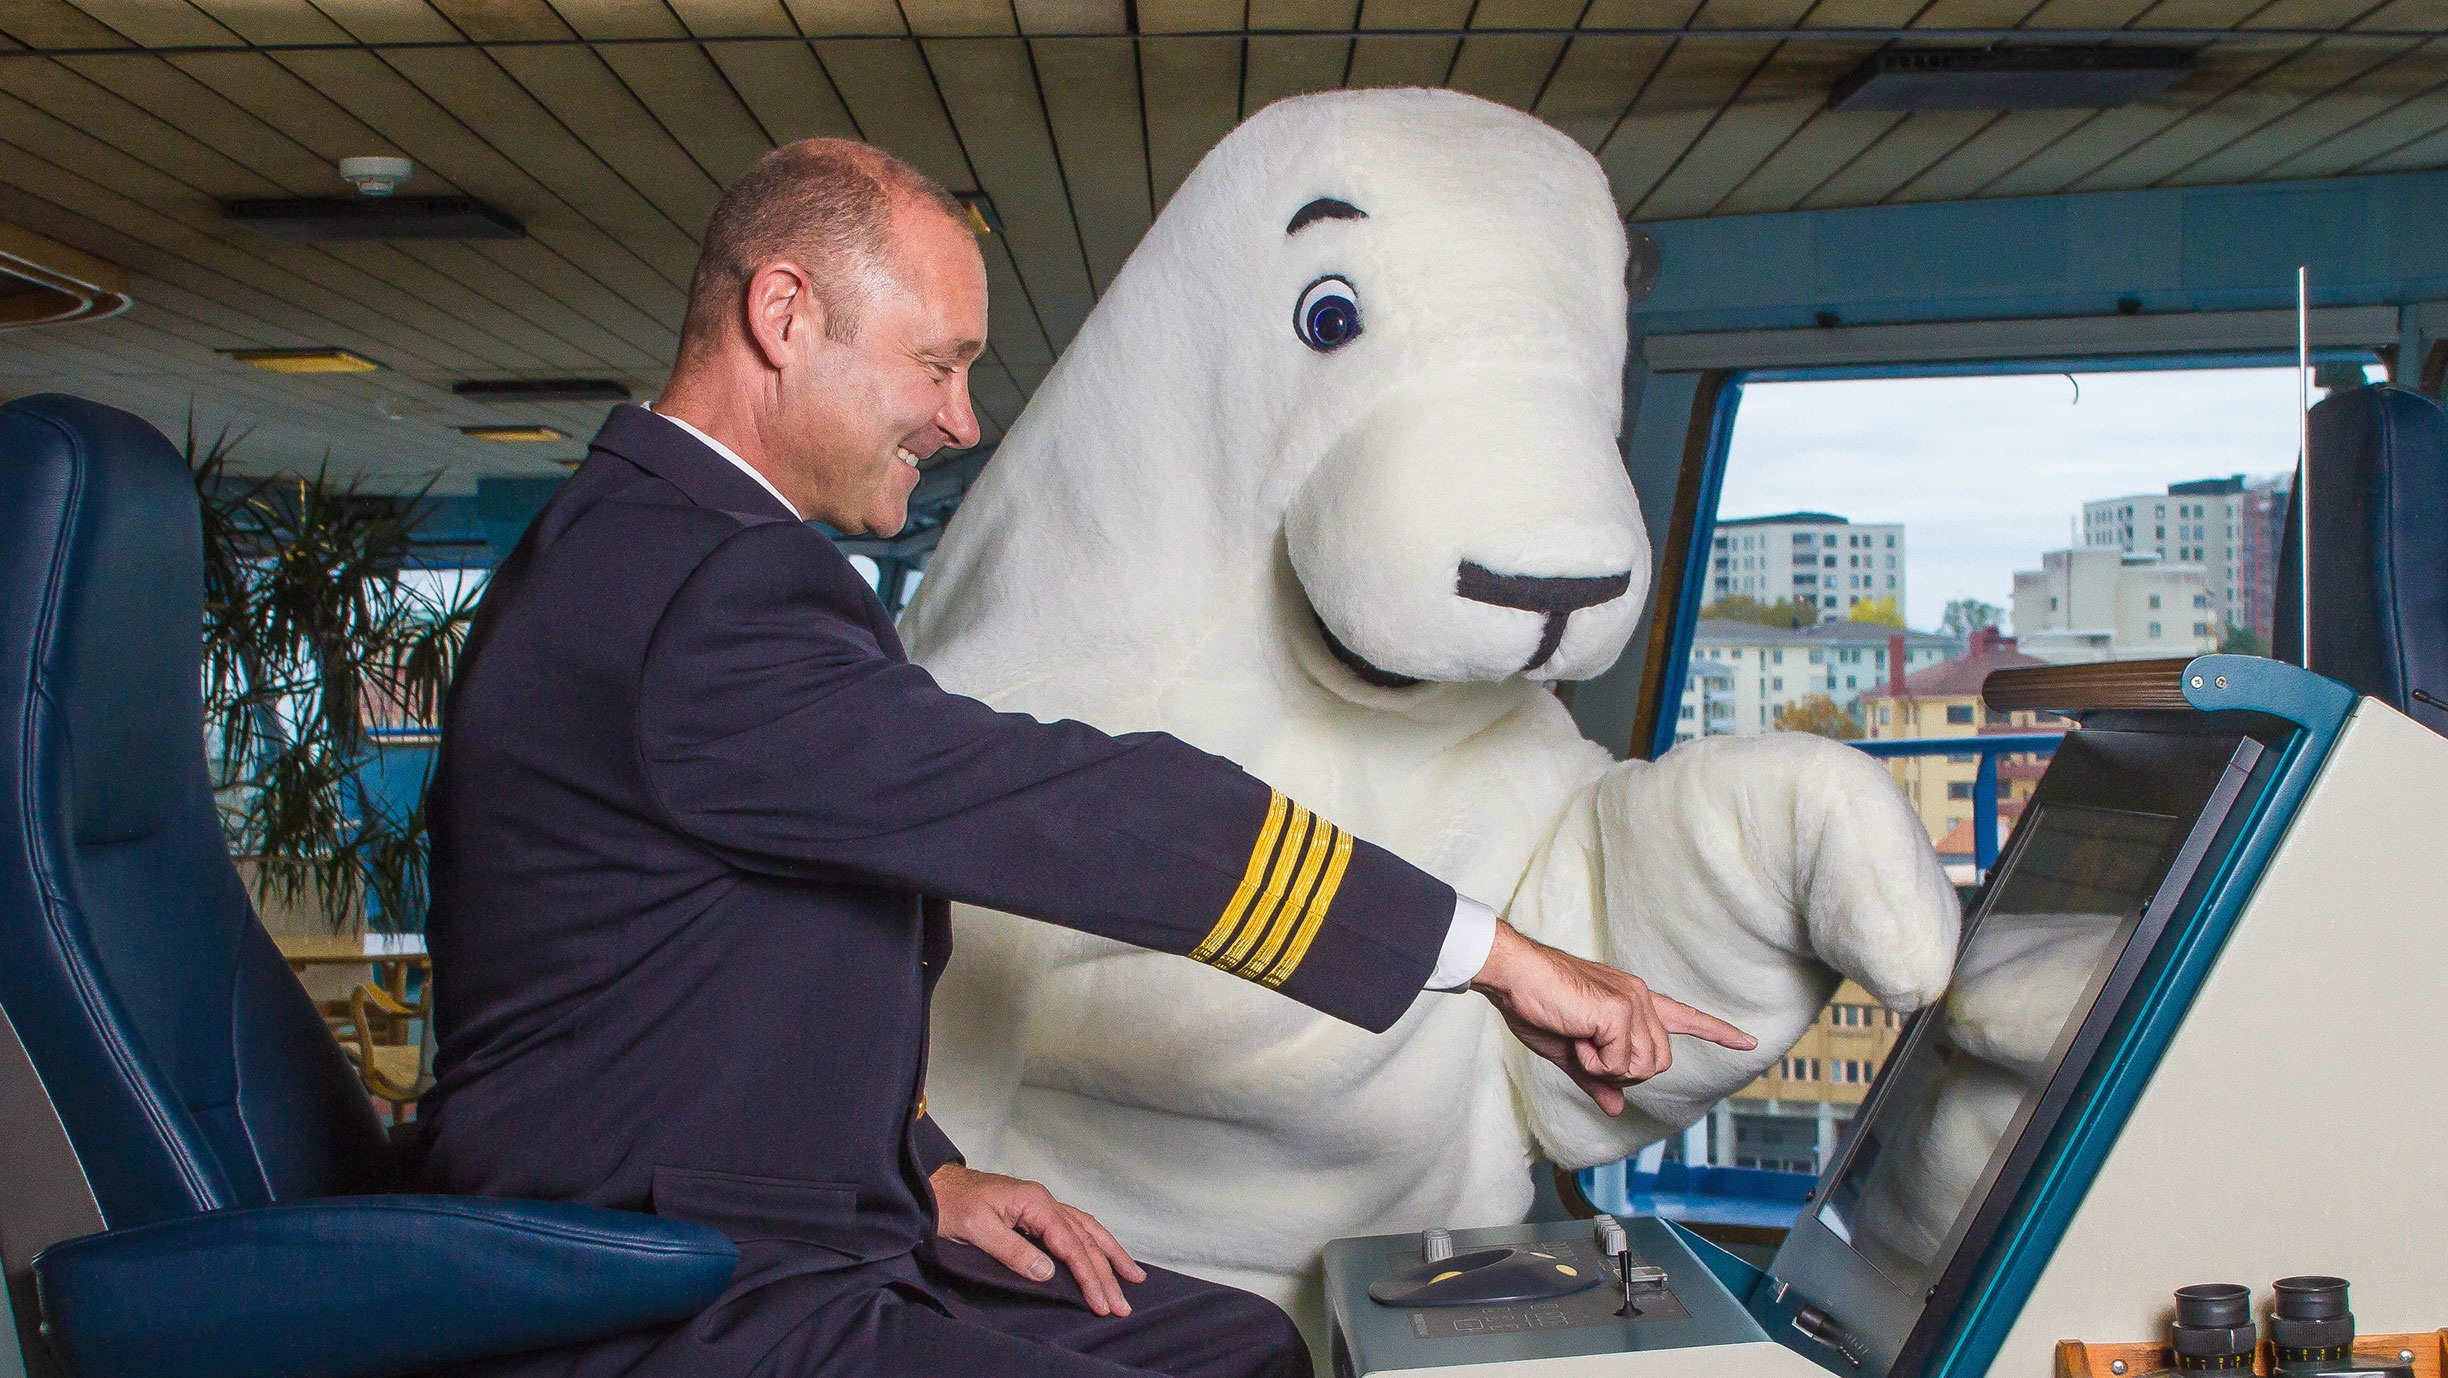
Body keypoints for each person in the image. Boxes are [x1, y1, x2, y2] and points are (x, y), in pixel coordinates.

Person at [416, 138, 1754, 1378]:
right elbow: (1079, 811)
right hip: (652, 1288)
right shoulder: (703, 594)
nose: (960, 419)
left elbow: (713, 986)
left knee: (1239, 1346)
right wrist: (1498, 957)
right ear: (784, 318)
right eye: (936, 364)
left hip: (765, 1226)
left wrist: (923, 1169)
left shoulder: (659, 552)